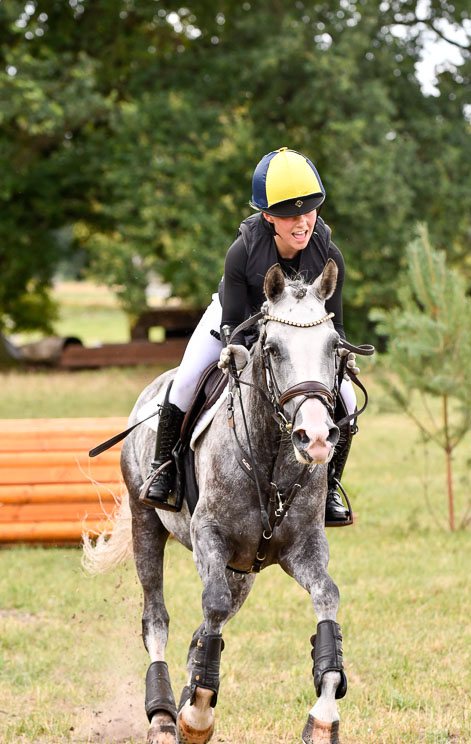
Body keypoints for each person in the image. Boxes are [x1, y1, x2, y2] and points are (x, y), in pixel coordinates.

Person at [139, 147, 358, 526]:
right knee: (186, 381)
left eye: (309, 211)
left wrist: (339, 351)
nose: (302, 222)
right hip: (236, 319)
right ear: (268, 216)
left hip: (298, 336)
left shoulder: (329, 253)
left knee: (349, 400)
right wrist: (236, 350)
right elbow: (232, 322)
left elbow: (333, 322)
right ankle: (164, 470)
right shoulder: (242, 251)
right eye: (289, 215)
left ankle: (331, 486)